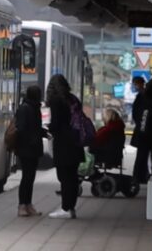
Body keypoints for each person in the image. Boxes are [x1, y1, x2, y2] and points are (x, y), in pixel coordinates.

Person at [46, 74, 84, 219]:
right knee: (73, 177)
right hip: (75, 142)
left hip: (63, 144)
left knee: (64, 177)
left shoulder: (56, 101)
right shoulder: (73, 99)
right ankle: (71, 207)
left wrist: (49, 129)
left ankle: (66, 208)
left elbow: (56, 124)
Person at [14, 85, 48, 217]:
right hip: (26, 149)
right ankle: (22, 205)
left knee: (30, 177)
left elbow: (35, 127)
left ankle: (28, 204)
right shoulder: (26, 108)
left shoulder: (34, 107)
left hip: (33, 148)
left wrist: (43, 133)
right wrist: (33, 137)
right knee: (27, 178)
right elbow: (21, 129)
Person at [130, 76, 149, 183]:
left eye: (135, 84)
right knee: (143, 154)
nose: (135, 86)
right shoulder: (143, 95)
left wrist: (139, 124)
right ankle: (142, 175)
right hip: (143, 129)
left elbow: (137, 113)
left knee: (141, 154)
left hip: (142, 130)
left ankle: (138, 175)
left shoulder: (142, 96)